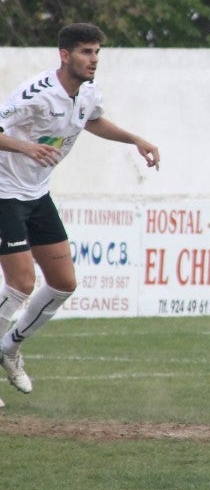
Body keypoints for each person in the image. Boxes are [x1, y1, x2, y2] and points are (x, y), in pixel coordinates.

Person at [0, 23, 160, 400]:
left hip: (38, 195)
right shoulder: (36, 93)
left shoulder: (87, 93)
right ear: (64, 54)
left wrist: (134, 139)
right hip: (5, 193)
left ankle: (9, 347)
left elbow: (92, 121)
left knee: (63, 283)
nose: (94, 59)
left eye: (97, 52)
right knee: (22, 283)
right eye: (86, 52)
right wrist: (26, 148)